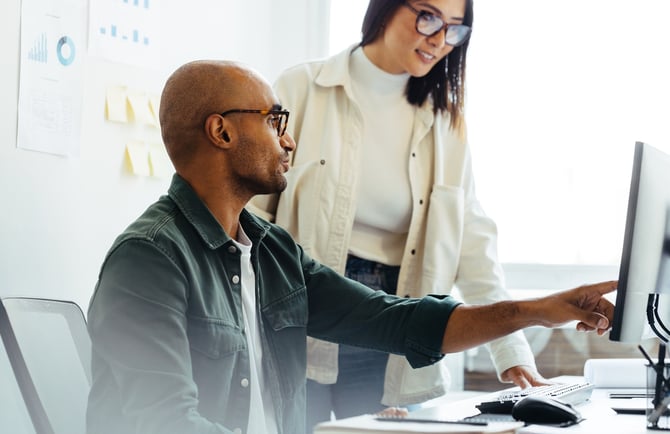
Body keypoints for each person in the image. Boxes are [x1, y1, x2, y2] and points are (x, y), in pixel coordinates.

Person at [86, 58, 616, 434]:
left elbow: (400, 321)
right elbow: (164, 423)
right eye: (274, 121)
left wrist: (541, 310)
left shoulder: (272, 254)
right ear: (221, 132)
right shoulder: (149, 259)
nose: (289, 139)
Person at [247, 0, 557, 429]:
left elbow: (473, 247)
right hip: (299, 305)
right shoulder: (301, 87)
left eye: (454, 29)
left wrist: (512, 355)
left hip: (390, 318)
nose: (438, 39)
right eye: (428, 17)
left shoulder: (446, 122)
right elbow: (249, 215)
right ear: (386, 8)